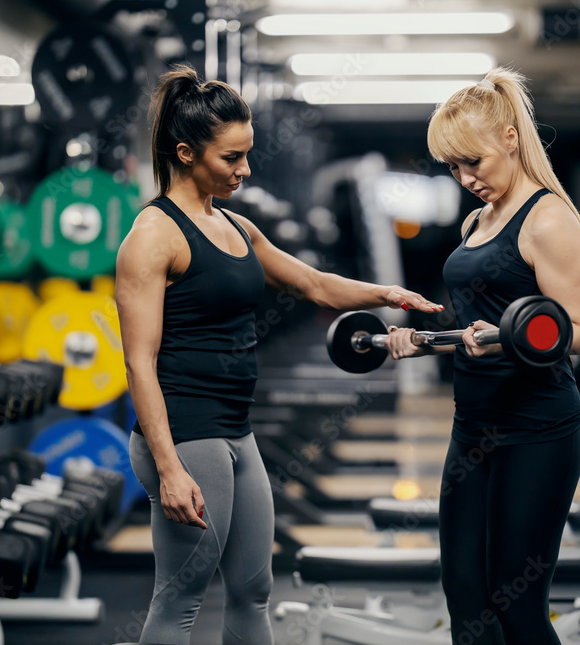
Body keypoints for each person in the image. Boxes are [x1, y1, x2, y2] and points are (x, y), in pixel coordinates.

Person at [115, 64, 443, 645]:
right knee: (183, 597)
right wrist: (168, 468)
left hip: (236, 429)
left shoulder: (236, 228)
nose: (244, 170)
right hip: (187, 434)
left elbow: (313, 284)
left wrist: (386, 294)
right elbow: (139, 362)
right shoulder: (152, 237)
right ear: (186, 153)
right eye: (231, 158)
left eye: (247, 154)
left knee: (253, 590)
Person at [386, 67, 580, 644]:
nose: (465, 179)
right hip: (472, 424)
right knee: (468, 602)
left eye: (472, 162)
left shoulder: (550, 219)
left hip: (539, 429)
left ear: (510, 137)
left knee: (515, 601)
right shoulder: (478, 221)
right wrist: (421, 339)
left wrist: (505, 338)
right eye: (453, 168)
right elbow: (480, 320)